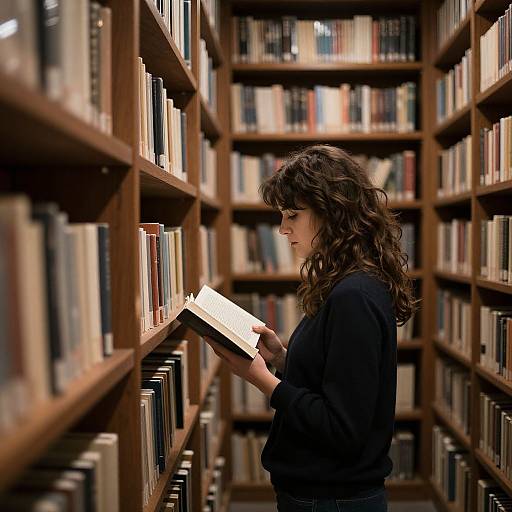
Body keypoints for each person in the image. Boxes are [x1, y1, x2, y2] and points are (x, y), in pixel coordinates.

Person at [204, 144, 418, 512]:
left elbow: (342, 429)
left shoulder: (354, 295)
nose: (282, 229)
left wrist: (263, 380)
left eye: (293, 216)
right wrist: (284, 360)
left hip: (333, 499)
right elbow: (337, 378)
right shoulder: (346, 283)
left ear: (332, 213)